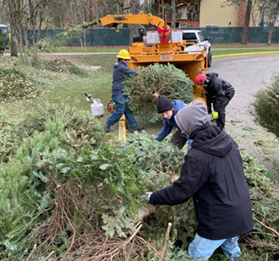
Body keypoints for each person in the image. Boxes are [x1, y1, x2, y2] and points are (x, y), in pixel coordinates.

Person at [147, 101, 253, 260]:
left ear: (190, 125)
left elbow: (181, 192)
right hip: (241, 212)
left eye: (183, 126)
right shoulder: (228, 140)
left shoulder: (198, 156)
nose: (181, 130)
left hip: (219, 220)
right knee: (231, 247)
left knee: (195, 255)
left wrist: (152, 197)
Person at [104, 49, 144, 133]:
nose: (127, 61)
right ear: (121, 59)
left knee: (127, 109)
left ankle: (134, 128)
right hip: (118, 93)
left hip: (123, 92)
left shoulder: (120, 66)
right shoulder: (121, 67)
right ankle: (108, 124)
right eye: (126, 60)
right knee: (120, 110)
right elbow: (133, 73)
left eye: (128, 60)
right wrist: (143, 70)